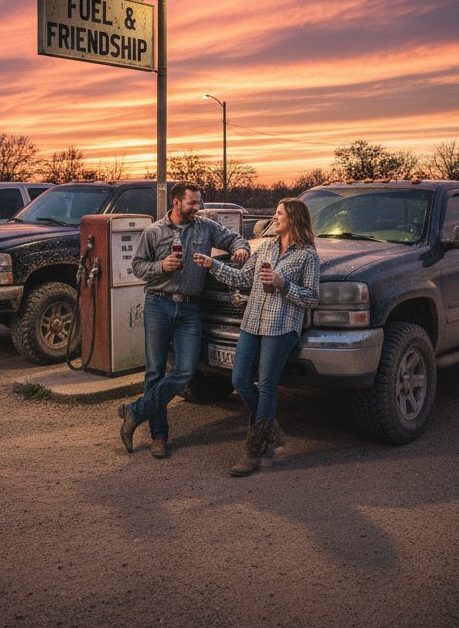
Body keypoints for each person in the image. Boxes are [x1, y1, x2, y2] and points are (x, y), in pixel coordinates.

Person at [119, 182, 250, 458]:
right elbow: (137, 266)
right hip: (158, 304)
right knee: (154, 371)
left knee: (185, 371)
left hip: (190, 309)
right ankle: (159, 436)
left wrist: (241, 249)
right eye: (192, 203)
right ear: (176, 202)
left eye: (198, 202)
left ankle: (135, 412)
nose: (197, 208)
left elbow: (234, 238)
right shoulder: (154, 232)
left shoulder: (205, 227)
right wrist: (161, 266)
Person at [193, 198, 319, 477]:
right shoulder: (266, 247)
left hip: (282, 326)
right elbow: (241, 279)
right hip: (252, 323)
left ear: (294, 219)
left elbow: (312, 297)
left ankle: (253, 450)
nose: (274, 217)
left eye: (279, 213)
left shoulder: (307, 255)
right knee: (239, 380)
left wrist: (282, 284)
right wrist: (211, 263)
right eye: (275, 212)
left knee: (267, 385)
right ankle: (270, 430)